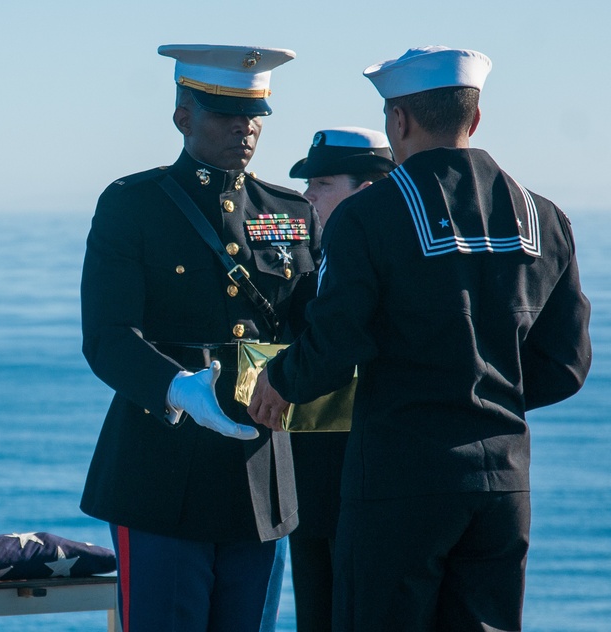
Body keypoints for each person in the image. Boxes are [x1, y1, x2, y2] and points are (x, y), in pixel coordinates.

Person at [249, 46, 592, 631]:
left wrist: (278, 381)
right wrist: (482, 394)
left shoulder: (369, 217)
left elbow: (334, 345)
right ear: (474, 118)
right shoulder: (546, 218)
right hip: (505, 482)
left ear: (399, 120)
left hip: (398, 481)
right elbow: (566, 363)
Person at [79, 44, 323, 632]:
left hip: (260, 472)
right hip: (163, 468)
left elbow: (311, 331)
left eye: (254, 114)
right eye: (224, 113)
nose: (245, 127)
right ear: (183, 117)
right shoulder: (133, 206)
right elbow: (107, 337)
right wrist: (176, 388)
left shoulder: (289, 212)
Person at [286, 127, 395, 632]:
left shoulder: (388, 261)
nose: (307, 196)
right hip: (311, 478)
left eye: (323, 183)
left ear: (366, 191)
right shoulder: (315, 254)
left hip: (367, 476)